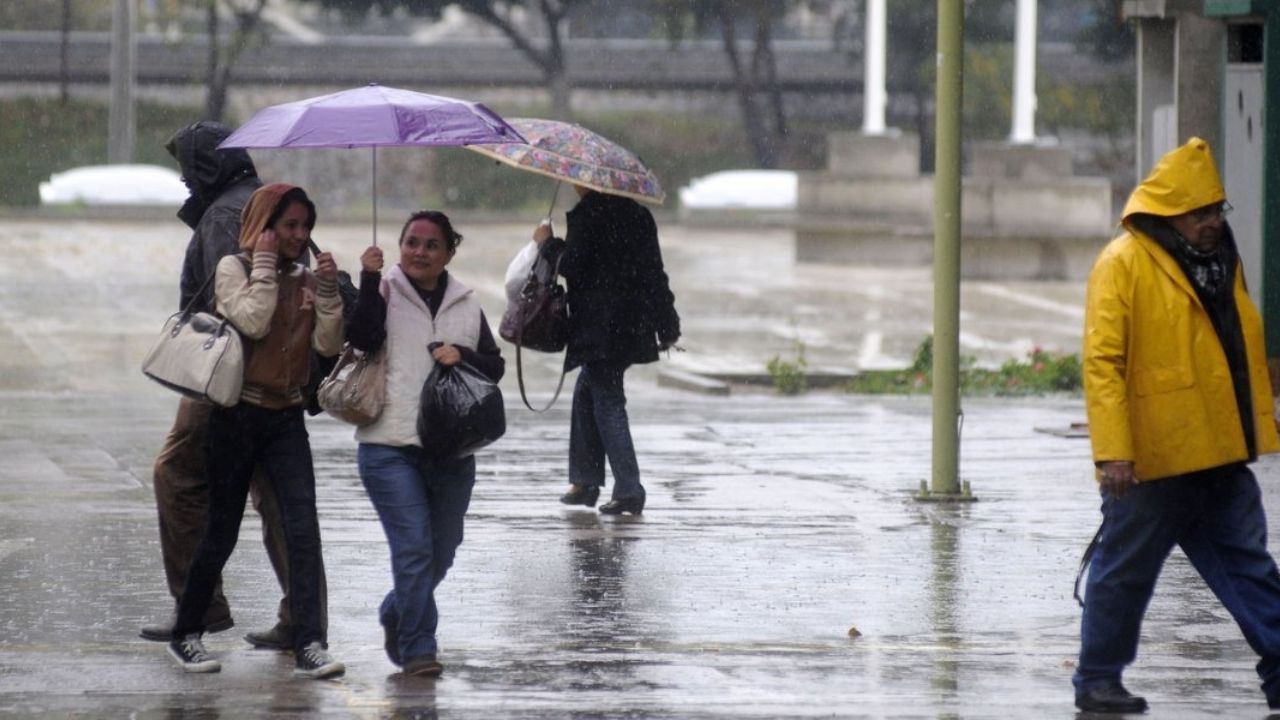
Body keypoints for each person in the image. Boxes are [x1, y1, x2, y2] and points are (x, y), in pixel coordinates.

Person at [1075, 137, 1280, 714]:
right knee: (1124, 574)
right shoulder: (1123, 262)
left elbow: (1233, 350)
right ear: (1169, 214)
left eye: (1217, 210)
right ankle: (1098, 681)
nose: (1212, 222)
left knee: (1249, 568)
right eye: (1200, 213)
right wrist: (1114, 452)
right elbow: (1103, 363)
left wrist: (1259, 418)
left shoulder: (1218, 261)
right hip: (1152, 459)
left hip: (1217, 451)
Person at [144, 121, 329, 650]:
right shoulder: (260, 201)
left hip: (232, 377)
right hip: (270, 378)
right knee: (281, 503)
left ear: (206, 166)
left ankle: (199, 606)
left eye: (188, 166)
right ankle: (302, 620)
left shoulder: (228, 214)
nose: (184, 180)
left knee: (180, 476)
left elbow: (244, 308)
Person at [166, 183, 344, 679]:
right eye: (289, 225)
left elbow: (328, 345)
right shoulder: (234, 268)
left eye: (305, 226)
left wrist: (328, 292)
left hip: (286, 419)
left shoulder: (307, 280)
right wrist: (264, 267)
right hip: (236, 416)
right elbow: (253, 322)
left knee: (302, 531)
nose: (299, 235)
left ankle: (310, 642)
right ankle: (186, 633)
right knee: (221, 530)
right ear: (263, 226)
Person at [346, 211, 504, 677]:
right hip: (388, 445)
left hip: (451, 451)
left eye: (432, 245)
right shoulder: (382, 291)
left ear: (449, 253)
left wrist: (464, 355)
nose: (420, 252)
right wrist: (368, 277)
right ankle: (419, 648)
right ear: (399, 246)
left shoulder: (466, 302)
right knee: (414, 549)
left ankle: (397, 610)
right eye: (412, 242)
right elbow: (360, 339)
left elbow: (494, 366)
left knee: (443, 548)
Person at [533, 185, 680, 515]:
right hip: (632, 325)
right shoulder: (639, 215)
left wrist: (547, 243)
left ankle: (629, 489)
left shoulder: (589, 214)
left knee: (608, 401)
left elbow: (571, 265)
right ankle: (585, 482)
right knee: (588, 390)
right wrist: (668, 324)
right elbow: (655, 273)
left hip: (599, 328)